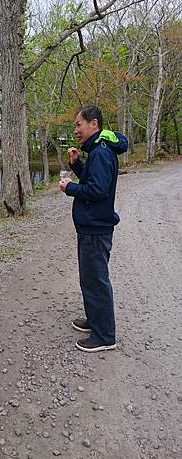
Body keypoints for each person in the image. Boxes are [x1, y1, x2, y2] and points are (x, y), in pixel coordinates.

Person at [59, 105, 128, 353]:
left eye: (79, 124)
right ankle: (94, 320)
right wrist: (77, 165)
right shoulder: (98, 151)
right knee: (89, 278)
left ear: (94, 124)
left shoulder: (101, 152)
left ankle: (105, 336)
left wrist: (70, 188)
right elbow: (94, 181)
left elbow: (97, 191)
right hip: (92, 226)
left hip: (96, 228)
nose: (76, 130)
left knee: (96, 281)